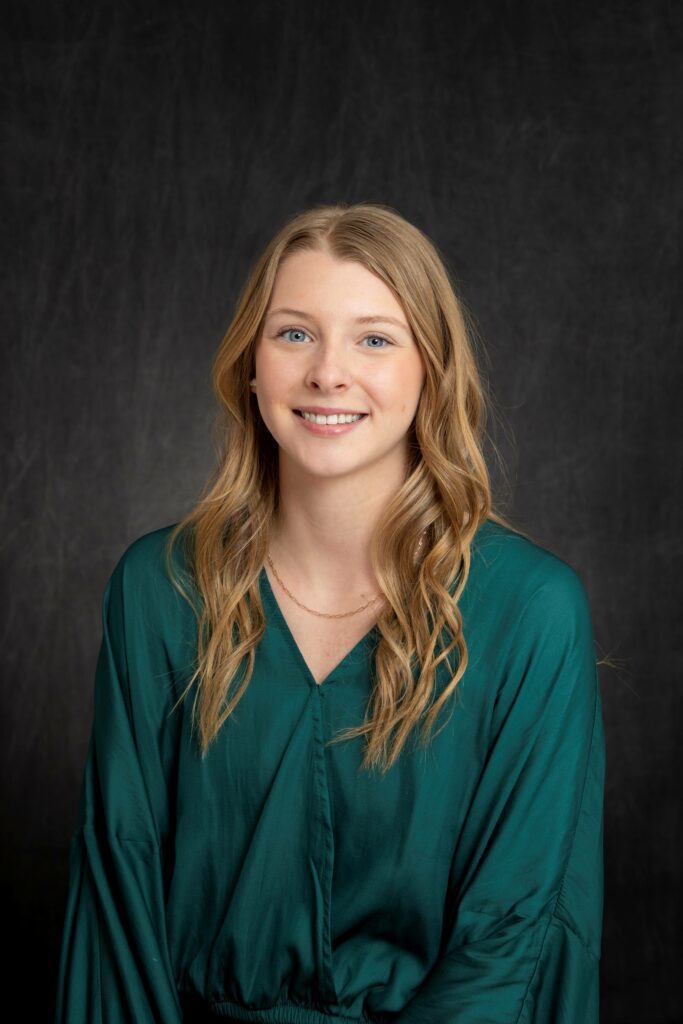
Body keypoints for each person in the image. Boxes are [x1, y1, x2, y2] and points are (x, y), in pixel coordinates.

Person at [54, 202, 605, 1023]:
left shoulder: (530, 611)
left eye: (374, 338)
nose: (327, 373)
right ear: (251, 361)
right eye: (294, 334)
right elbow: (119, 898)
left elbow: (510, 937)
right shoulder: (158, 589)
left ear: (431, 369)